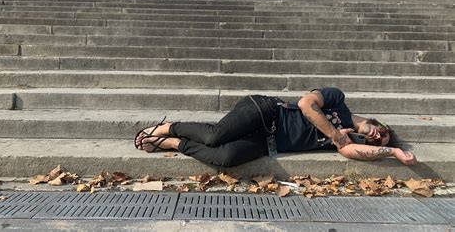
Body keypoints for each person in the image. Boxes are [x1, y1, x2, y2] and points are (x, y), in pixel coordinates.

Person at [134, 87, 417, 167]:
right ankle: (169, 127)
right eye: (382, 131)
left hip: (269, 142)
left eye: (379, 141)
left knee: (226, 159)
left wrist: (392, 152)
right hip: (266, 112)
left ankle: (174, 143)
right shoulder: (338, 102)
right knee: (214, 136)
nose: (379, 136)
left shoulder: (347, 142)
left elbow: (349, 152)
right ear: (375, 122)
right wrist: (334, 134)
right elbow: (307, 104)